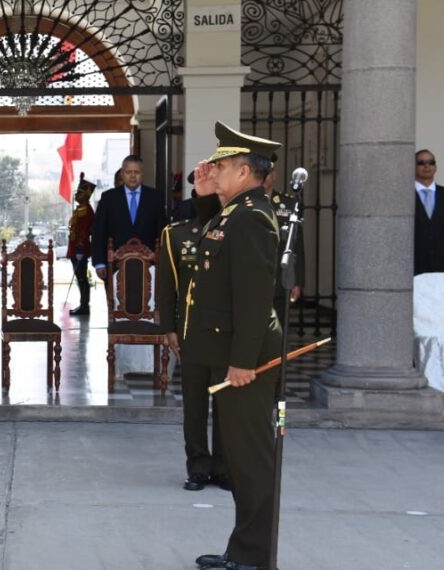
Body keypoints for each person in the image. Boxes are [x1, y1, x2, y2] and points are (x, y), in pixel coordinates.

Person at [184, 122, 283, 570]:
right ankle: (242, 550)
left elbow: (253, 298)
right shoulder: (233, 213)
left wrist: (243, 361)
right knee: (242, 461)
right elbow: (206, 250)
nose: (213, 170)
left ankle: (254, 558)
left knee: (251, 461)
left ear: (245, 172)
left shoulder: (252, 218)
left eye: (221, 166)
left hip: (245, 359)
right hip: (227, 354)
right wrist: (208, 195)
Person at [156, 180, 228, 493]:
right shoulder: (176, 234)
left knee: (226, 406)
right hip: (190, 333)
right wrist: (169, 329)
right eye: (203, 188)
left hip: (226, 332)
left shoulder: (234, 229)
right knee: (195, 406)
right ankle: (198, 466)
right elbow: (167, 287)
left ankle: (224, 469)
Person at [90, 155, 166, 280]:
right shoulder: (108, 198)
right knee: (117, 299)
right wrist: (99, 263)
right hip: (114, 266)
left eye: (136, 172)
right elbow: (99, 231)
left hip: (149, 266)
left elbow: (161, 231)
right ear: (122, 173)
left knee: (147, 298)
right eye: (128, 172)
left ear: (142, 174)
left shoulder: (155, 197)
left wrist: (162, 261)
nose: (132, 176)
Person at [264, 168, 305, 325]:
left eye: (267, 173)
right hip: (252, 280)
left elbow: (297, 245)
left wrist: (297, 280)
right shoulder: (244, 202)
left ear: (274, 175)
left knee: (279, 329)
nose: (264, 178)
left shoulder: (288, 203)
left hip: (280, 280)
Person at [65, 175, 96, 316]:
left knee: (82, 277)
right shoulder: (80, 209)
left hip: (80, 249)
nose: (77, 195)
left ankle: (85, 305)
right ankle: (83, 304)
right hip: (75, 248)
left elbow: (84, 232)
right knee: (80, 277)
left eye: (80, 193)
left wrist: (80, 248)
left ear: (86, 196)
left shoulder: (87, 211)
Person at [414, 149, 444, 275]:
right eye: (421, 162)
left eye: (431, 162)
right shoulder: (402, 198)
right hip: (413, 268)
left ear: (435, 166)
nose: (427, 166)